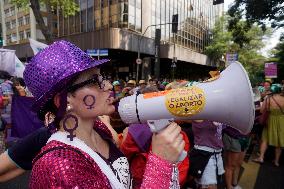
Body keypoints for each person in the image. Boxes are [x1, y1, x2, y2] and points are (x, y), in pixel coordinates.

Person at [24, 40, 184, 188]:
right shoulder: (56, 165)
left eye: (103, 77)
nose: (108, 86)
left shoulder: (100, 129)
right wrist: (161, 164)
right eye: (94, 81)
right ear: (64, 101)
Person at [253, 86, 284, 166]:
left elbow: (262, 110)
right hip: (281, 122)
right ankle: (276, 161)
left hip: (270, 121)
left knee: (265, 139)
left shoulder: (268, 99)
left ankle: (261, 157)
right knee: (279, 141)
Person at [189, 120, 225, 189]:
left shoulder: (220, 115)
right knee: (210, 186)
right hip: (204, 155)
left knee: (215, 184)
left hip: (217, 154)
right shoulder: (200, 115)